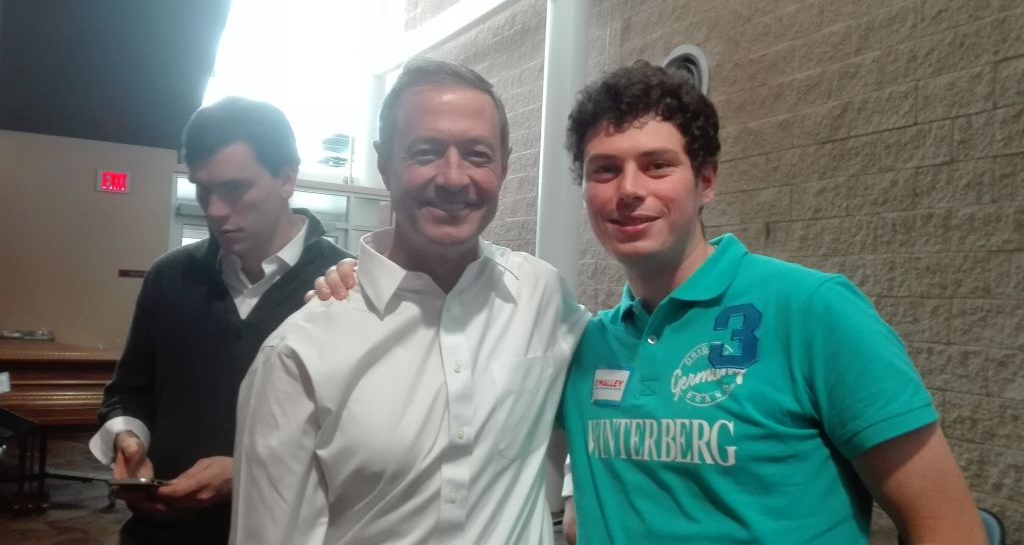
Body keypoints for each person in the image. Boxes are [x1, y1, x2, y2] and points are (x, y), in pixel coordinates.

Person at [558, 61, 983, 544]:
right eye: (605, 170)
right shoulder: (587, 345)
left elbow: (949, 527)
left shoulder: (814, 310)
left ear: (706, 181)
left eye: (657, 165)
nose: (630, 190)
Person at [230, 58, 590, 545]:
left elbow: (616, 376)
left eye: (477, 155)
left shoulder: (539, 295)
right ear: (385, 164)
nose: (453, 178)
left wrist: (577, 487)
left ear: (504, 165)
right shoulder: (299, 352)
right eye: (425, 153)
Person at [91, 96, 351, 544]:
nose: (213, 210)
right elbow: (128, 391)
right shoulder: (170, 277)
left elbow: (365, 438)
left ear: (287, 178)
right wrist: (127, 439)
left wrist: (248, 472)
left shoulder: (345, 288)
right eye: (202, 189)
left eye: (234, 189)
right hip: (162, 531)